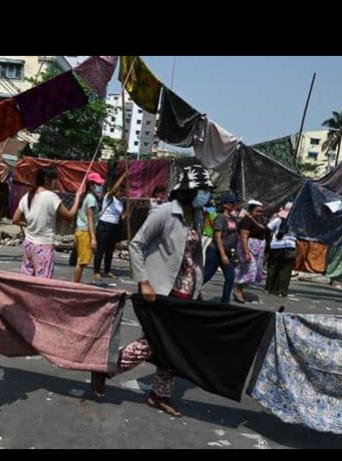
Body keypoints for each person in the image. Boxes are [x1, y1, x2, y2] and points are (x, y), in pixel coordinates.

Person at [90, 164, 213, 416]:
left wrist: (197, 287)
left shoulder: (198, 215)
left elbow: (192, 255)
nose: (206, 195)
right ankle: (107, 367)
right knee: (156, 341)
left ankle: (159, 395)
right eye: (202, 190)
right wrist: (143, 281)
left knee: (172, 344)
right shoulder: (165, 212)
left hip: (186, 290)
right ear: (189, 190)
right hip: (161, 290)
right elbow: (136, 244)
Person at [11, 167, 85, 279]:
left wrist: (30, 224)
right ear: (47, 180)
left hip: (28, 245)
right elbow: (69, 216)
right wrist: (77, 199)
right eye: (55, 180)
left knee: (27, 280)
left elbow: (15, 219)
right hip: (44, 246)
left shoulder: (27, 196)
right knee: (43, 283)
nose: (56, 183)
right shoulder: (51, 197)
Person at [202, 193, 240, 303]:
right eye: (232, 203)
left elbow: (234, 236)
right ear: (225, 205)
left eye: (234, 203)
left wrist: (234, 256)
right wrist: (222, 255)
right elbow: (218, 237)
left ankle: (225, 302)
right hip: (215, 251)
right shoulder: (220, 218)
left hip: (229, 251)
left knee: (230, 277)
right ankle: (191, 292)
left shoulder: (233, 219)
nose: (234, 205)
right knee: (207, 275)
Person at [94, 170, 129, 280]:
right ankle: (96, 271)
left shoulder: (120, 203)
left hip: (114, 227)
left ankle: (107, 270)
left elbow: (121, 216)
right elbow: (113, 189)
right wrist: (123, 176)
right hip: (105, 225)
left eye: (122, 191)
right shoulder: (108, 197)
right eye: (119, 190)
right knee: (101, 249)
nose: (120, 192)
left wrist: (126, 214)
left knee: (110, 250)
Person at [233, 199, 270, 303]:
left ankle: (239, 289)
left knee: (255, 271)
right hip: (247, 248)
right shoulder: (247, 220)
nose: (259, 213)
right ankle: (238, 291)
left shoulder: (259, 220)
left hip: (257, 249)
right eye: (257, 211)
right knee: (251, 270)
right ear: (251, 210)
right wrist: (246, 253)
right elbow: (244, 237)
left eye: (261, 211)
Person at [73, 172, 106, 283]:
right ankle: (75, 285)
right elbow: (90, 219)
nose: (100, 186)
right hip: (85, 232)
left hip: (81, 231)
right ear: (91, 185)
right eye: (98, 184)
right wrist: (93, 238)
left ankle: (76, 283)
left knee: (81, 261)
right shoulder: (91, 199)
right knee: (81, 262)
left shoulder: (87, 197)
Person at [265, 202, 297, 297]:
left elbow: (267, 229)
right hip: (290, 246)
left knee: (273, 267)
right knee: (285, 270)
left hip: (276, 246)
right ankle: (282, 291)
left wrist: (269, 240)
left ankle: (269, 288)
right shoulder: (296, 222)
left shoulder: (277, 220)